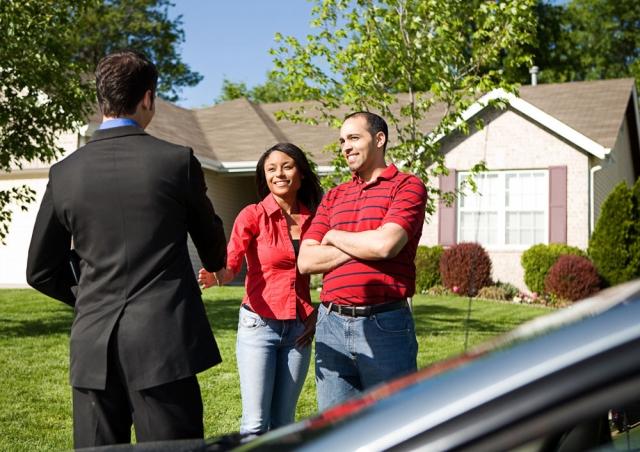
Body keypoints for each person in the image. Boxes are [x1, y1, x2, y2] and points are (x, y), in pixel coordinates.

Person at [26, 50, 227, 447]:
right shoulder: (176, 162)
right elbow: (215, 254)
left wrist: (87, 297)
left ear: (103, 99)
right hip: (165, 345)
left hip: (92, 347)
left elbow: (40, 271)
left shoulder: (64, 172)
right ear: (148, 98)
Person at [297, 111, 428, 411]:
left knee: (393, 423)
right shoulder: (333, 196)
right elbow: (306, 260)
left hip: (385, 324)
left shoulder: (407, 186)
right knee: (336, 430)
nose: (346, 147)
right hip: (330, 322)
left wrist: (332, 235)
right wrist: (362, 243)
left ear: (379, 139)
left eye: (354, 138)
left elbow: (385, 245)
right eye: (342, 141)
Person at [199, 143, 323, 437]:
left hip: (298, 331)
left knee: (284, 424)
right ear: (264, 177)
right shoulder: (253, 215)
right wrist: (217, 276)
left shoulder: (315, 220)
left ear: (301, 174)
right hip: (259, 325)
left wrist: (318, 313)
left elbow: (331, 269)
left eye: (287, 166)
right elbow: (231, 263)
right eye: (271, 169)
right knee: (255, 424)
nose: (279, 174)